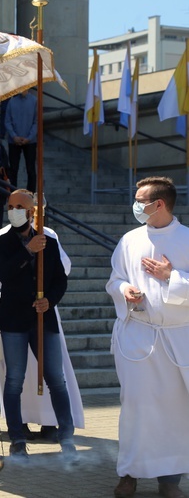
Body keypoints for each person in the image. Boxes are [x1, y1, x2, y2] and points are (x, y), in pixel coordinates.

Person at [107, 177, 189, 498]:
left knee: (175, 411)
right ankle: (129, 474)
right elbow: (115, 279)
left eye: (141, 201)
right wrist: (125, 290)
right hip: (139, 337)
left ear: (160, 205)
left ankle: (170, 482)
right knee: (136, 408)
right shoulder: (129, 240)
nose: (136, 206)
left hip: (177, 340)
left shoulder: (186, 238)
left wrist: (173, 278)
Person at [0, 189, 84, 443]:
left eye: (20, 207)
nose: (13, 211)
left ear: (32, 212)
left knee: (55, 377)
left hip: (43, 315)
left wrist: (49, 300)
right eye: (10, 206)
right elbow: (3, 275)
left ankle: (65, 434)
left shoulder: (47, 240)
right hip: (13, 317)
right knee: (15, 378)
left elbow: (60, 279)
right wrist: (27, 251)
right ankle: (17, 437)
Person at [4, 90, 38, 192]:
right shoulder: (12, 102)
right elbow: (7, 121)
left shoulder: (34, 101)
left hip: (30, 141)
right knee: (13, 169)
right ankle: (13, 193)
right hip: (14, 141)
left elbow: (37, 121)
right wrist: (14, 136)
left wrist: (29, 137)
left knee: (31, 169)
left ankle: (31, 193)